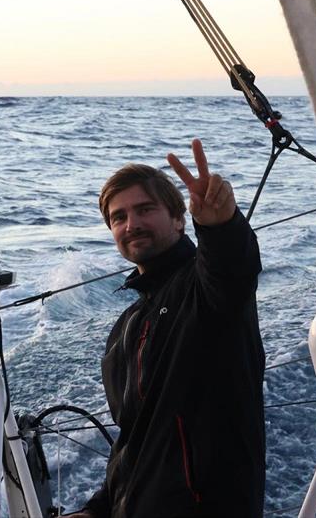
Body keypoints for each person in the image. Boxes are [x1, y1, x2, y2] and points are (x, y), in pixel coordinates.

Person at [69, 139, 265, 517]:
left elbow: (231, 270)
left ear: (178, 218)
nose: (132, 224)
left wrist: (221, 225)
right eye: (118, 217)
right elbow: (135, 441)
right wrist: (96, 509)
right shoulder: (126, 328)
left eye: (145, 209)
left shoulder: (204, 291)